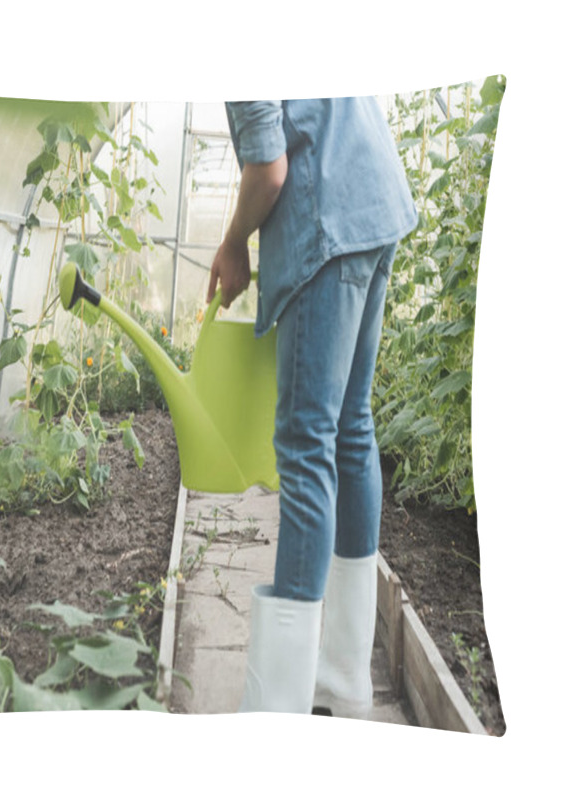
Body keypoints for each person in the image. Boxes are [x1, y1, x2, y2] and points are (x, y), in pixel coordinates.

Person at [206, 99, 418, 716]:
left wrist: (235, 241)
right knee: (351, 429)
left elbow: (270, 170)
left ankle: (281, 707)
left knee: (306, 443)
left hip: (327, 220)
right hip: (373, 199)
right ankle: (343, 682)